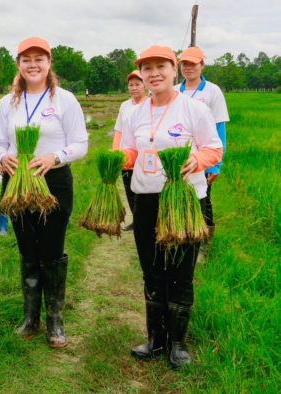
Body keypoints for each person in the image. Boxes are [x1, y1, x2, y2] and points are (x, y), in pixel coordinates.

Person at [121, 46, 223, 370]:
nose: (153, 73)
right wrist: (117, 161)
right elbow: (130, 149)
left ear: (173, 69)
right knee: (151, 271)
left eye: (160, 66)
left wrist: (196, 160)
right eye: (147, 68)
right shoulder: (137, 111)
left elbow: (214, 148)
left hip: (184, 199)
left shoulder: (193, 109)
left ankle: (178, 343)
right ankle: (155, 339)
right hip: (146, 200)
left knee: (180, 271)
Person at [0, 37, 88, 347]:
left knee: (51, 251)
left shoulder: (65, 100)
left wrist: (54, 157)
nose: (33, 64)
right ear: (19, 64)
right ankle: (30, 317)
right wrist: (1, 157)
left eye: (39, 59)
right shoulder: (8, 102)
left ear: (49, 64)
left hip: (54, 182)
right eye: (26, 59)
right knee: (27, 250)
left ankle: (55, 320)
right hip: (16, 183)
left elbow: (81, 144)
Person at [174, 47, 229, 250]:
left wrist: (216, 164)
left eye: (193, 64)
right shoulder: (173, 90)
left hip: (203, 157)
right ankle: (179, 237)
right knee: (177, 195)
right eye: (185, 64)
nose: (189, 68)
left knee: (204, 197)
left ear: (202, 65)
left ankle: (203, 245)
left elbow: (219, 127)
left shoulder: (212, 91)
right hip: (177, 158)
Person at [113, 70, 148, 231]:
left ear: (145, 85)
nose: (134, 88)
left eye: (137, 84)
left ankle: (146, 220)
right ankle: (136, 220)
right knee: (129, 189)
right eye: (131, 85)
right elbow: (119, 130)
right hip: (126, 156)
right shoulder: (125, 105)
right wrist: (116, 153)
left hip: (143, 157)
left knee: (144, 191)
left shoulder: (150, 104)